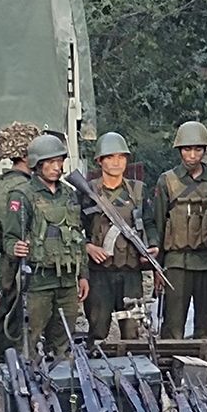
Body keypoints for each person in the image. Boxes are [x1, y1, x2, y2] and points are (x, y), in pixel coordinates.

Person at [3, 135, 89, 359]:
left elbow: (78, 236)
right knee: (31, 338)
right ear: (36, 164)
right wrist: (15, 248)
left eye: (59, 161)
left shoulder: (69, 194)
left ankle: (62, 384)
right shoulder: (22, 195)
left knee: (65, 338)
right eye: (50, 162)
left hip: (67, 279)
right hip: (38, 280)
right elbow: (9, 238)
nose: (56, 167)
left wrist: (83, 275)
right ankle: (29, 386)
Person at [81, 132, 153, 340]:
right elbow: (74, 229)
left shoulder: (138, 191)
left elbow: (149, 223)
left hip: (130, 271)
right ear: (99, 161)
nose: (116, 162)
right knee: (98, 329)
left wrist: (152, 245)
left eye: (121, 157)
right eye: (110, 157)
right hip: (99, 272)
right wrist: (88, 247)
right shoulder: (88, 191)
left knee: (132, 330)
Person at [152, 122, 207, 338]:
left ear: (204, 150)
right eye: (187, 149)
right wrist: (158, 267)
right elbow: (158, 223)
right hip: (176, 261)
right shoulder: (167, 181)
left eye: (198, 149)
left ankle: (200, 367)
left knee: (204, 324)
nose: (192, 155)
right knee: (173, 323)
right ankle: (169, 366)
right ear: (179, 150)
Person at [0, 122, 40, 347]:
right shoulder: (23, 187)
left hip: (2, 256)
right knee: (14, 313)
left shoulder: (1, 183)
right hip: (16, 259)